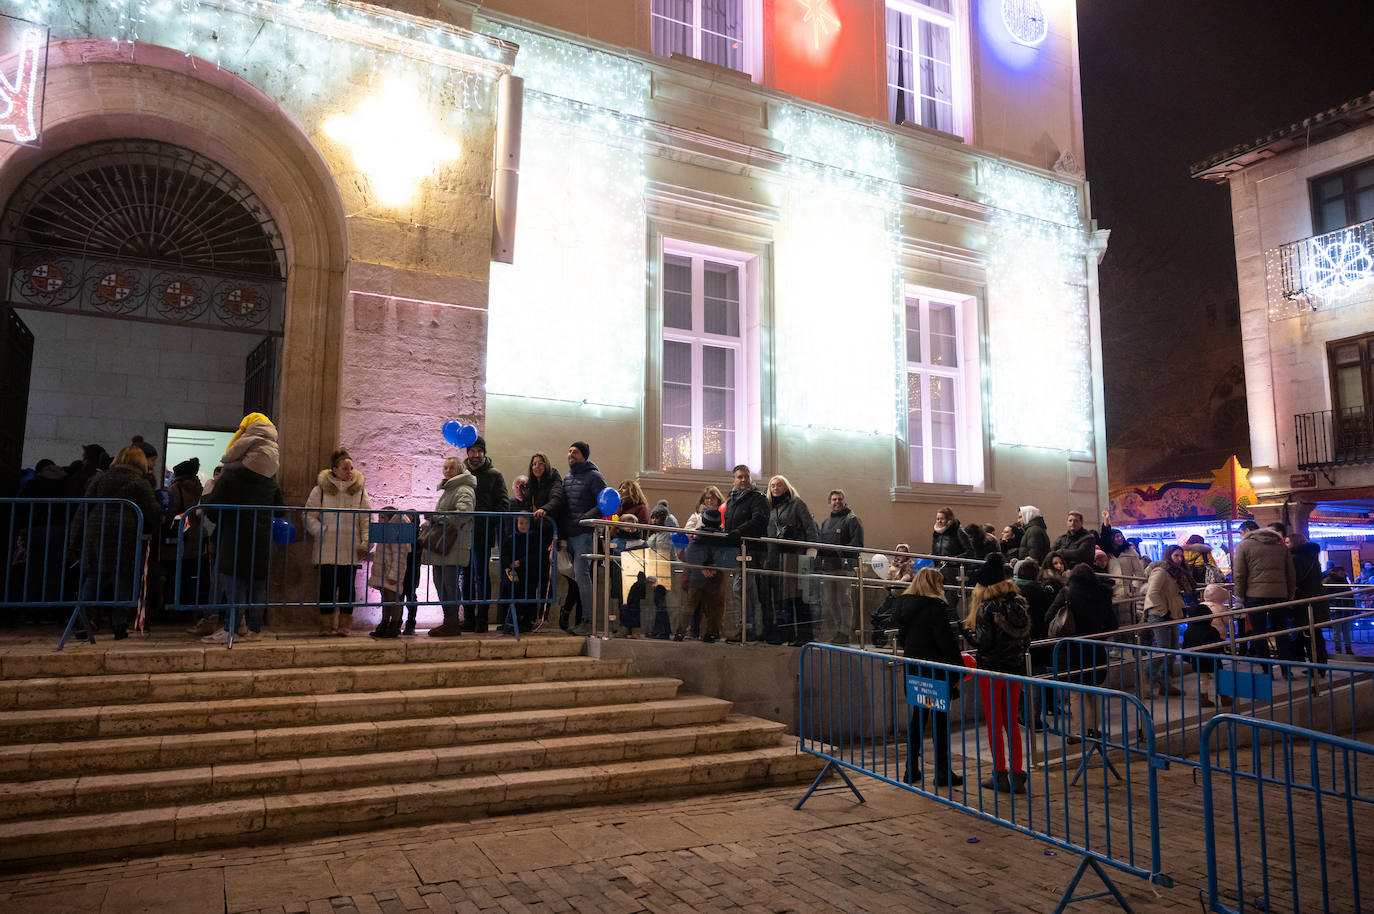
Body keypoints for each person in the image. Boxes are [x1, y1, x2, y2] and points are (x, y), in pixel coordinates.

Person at [199, 414, 284, 643]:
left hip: (234, 537)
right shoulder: (270, 479)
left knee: (234, 582)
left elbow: (214, 509)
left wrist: (206, 499)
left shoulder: (232, 476)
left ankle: (232, 628)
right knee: (257, 584)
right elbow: (281, 509)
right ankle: (254, 629)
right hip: (261, 538)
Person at [72, 445, 162, 640]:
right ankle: (119, 624)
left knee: (94, 575)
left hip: (96, 527)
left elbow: (84, 508)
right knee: (123, 576)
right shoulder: (139, 481)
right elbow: (152, 511)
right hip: (125, 529)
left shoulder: (101, 478)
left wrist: (75, 539)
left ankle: (82, 621)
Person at [961, 553, 1031, 794]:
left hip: (991, 670)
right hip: (1015, 669)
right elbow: (1026, 639)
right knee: (1011, 721)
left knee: (994, 722)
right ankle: (1018, 773)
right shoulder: (1018, 603)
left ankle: (1000, 774)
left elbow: (985, 642)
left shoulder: (986, 607)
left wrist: (966, 633)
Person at [893, 567, 964, 788]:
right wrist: (956, 670)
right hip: (935, 670)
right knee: (940, 720)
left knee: (918, 718)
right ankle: (943, 772)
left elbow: (903, 639)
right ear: (934, 585)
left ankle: (910, 769)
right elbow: (946, 643)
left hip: (914, 669)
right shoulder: (935, 609)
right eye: (940, 583)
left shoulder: (905, 607)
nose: (942, 588)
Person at [305, 449, 371, 636]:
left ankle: (344, 625)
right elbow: (309, 515)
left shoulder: (359, 492)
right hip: (327, 546)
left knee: (347, 588)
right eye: (344, 468)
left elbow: (365, 519)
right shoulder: (321, 490)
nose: (349, 471)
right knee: (327, 587)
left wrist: (365, 542)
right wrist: (321, 531)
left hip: (350, 547)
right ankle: (326, 624)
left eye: (351, 468)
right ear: (334, 469)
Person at [1049, 563, 1118, 737]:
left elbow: (1049, 617)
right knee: (1095, 691)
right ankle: (1094, 729)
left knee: (1076, 693)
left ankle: (1080, 732)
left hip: (1072, 649)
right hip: (1096, 649)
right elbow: (1112, 624)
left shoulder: (1067, 593)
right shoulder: (1102, 594)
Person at [422, 456, 476, 637]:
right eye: (445, 467)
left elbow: (463, 515)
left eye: (451, 467)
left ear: (460, 470)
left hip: (453, 545)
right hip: (444, 545)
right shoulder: (450, 489)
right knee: (440, 584)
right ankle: (448, 620)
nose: (447, 471)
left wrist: (436, 518)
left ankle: (452, 621)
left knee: (450, 585)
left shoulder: (464, 489)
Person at [459, 436, 509, 633]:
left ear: (484, 453)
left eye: (480, 451)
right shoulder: (461, 474)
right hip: (463, 534)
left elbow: (503, 504)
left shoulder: (494, 475)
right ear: (468, 453)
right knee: (465, 575)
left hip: (483, 533)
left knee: (481, 575)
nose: (476, 455)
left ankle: (482, 618)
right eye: (472, 451)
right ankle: (469, 617)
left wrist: (488, 521)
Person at [764, 475, 818, 646]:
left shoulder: (797, 504)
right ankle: (784, 633)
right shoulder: (770, 508)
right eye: (772, 485)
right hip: (776, 559)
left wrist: (812, 550)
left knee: (799, 598)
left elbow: (810, 527)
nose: (775, 488)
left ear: (786, 487)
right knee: (781, 600)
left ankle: (804, 635)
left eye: (779, 485)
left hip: (797, 558)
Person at [559, 441, 606, 634]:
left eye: (575, 452)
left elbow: (603, 503)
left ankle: (588, 620)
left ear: (584, 456)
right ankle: (576, 617)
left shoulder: (594, 476)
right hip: (568, 534)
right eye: (569, 451)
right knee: (575, 578)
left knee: (582, 576)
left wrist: (585, 518)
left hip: (584, 534)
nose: (571, 454)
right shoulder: (568, 477)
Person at [1233, 521, 1296, 660]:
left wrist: (1240, 597)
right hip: (1280, 595)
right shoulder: (1281, 546)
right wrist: (1290, 596)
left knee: (1259, 633)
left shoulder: (1243, 546)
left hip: (1255, 595)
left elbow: (1239, 575)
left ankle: (1266, 669)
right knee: (1281, 631)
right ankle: (1287, 669)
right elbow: (1291, 574)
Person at [724, 465, 770, 639]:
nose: (743, 480)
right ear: (734, 480)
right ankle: (745, 627)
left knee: (743, 589)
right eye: (739, 477)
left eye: (746, 477)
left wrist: (739, 532)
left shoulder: (757, 498)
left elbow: (759, 520)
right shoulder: (732, 500)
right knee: (740, 590)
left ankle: (748, 628)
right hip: (737, 551)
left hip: (751, 551)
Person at [1142, 545, 1191, 696]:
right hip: (1160, 614)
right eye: (1176, 556)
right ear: (1169, 556)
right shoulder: (1161, 571)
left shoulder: (1174, 573)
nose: (1179, 559)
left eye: (1181, 556)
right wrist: (1164, 610)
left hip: (1171, 614)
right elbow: (1153, 592)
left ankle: (1166, 683)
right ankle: (1144, 683)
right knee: (1162, 649)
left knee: (1172, 650)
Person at [819, 489, 864, 644]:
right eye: (833, 499)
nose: (836, 502)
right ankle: (839, 630)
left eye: (839, 499)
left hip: (844, 568)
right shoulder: (826, 523)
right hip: (828, 568)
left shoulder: (852, 519)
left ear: (844, 501)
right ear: (829, 502)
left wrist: (839, 553)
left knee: (844, 600)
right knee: (830, 601)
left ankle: (845, 632)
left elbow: (857, 544)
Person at [683, 507, 734, 643]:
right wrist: (715, 567)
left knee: (690, 605)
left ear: (704, 521)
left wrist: (701, 567)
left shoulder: (698, 536)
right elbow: (727, 556)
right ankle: (712, 634)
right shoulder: (723, 537)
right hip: (716, 577)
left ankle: (681, 631)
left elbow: (690, 554)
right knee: (714, 607)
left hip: (697, 576)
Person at [500, 513, 554, 634]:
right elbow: (504, 553)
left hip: (529, 573)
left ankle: (527, 621)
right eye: (521, 523)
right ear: (516, 523)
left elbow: (535, 555)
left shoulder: (534, 538)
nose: (523, 526)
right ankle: (511, 621)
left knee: (529, 597)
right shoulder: (510, 538)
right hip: (514, 573)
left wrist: (521, 562)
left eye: (526, 523)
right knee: (512, 596)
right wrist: (509, 564)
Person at [1184, 582, 1233, 707]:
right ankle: (1224, 697)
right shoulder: (1212, 630)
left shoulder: (1189, 631)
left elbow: (1186, 646)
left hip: (1198, 661)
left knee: (1203, 680)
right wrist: (1222, 650)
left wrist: (1187, 658)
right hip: (1212, 661)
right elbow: (1218, 644)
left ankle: (1204, 698)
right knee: (1218, 678)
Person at [367, 508, 412, 639]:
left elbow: (399, 557)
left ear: (389, 518)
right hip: (384, 572)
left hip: (390, 574)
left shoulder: (396, 533)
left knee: (393, 600)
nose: (379, 520)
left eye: (381, 517)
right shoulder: (386, 532)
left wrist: (394, 576)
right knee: (386, 599)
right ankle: (385, 622)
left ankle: (394, 625)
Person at [1288, 532, 1326, 666]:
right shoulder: (1313, 557)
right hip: (1315, 599)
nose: (1285, 545)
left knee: (1306, 633)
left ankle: (1313, 664)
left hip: (1303, 600)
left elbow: (1294, 580)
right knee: (1314, 632)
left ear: (1295, 543)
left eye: (1287, 542)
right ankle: (1320, 664)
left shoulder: (1295, 559)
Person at [1325, 564, 1355, 655]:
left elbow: (1349, 592)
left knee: (1345, 630)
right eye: (1341, 572)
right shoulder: (1329, 580)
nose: (1343, 574)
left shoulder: (1343, 579)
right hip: (1337, 608)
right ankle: (1339, 648)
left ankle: (1347, 648)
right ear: (1336, 572)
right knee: (1337, 630)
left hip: (1344, 607)